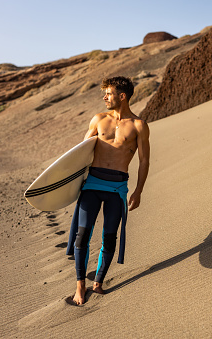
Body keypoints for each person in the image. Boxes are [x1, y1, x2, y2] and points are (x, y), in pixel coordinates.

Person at [66, 76, 150, 305]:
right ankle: (80, 285)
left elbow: (144, 161)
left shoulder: (138, 126)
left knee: (109, 238)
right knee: (82, 235)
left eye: (109, 93)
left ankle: (99, 282)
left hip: (117, 189)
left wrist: (138, 191)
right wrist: (70, 185)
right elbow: (80, 155)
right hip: (92, 185)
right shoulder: (98, 120)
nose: (104, 97)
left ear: (122, 96)